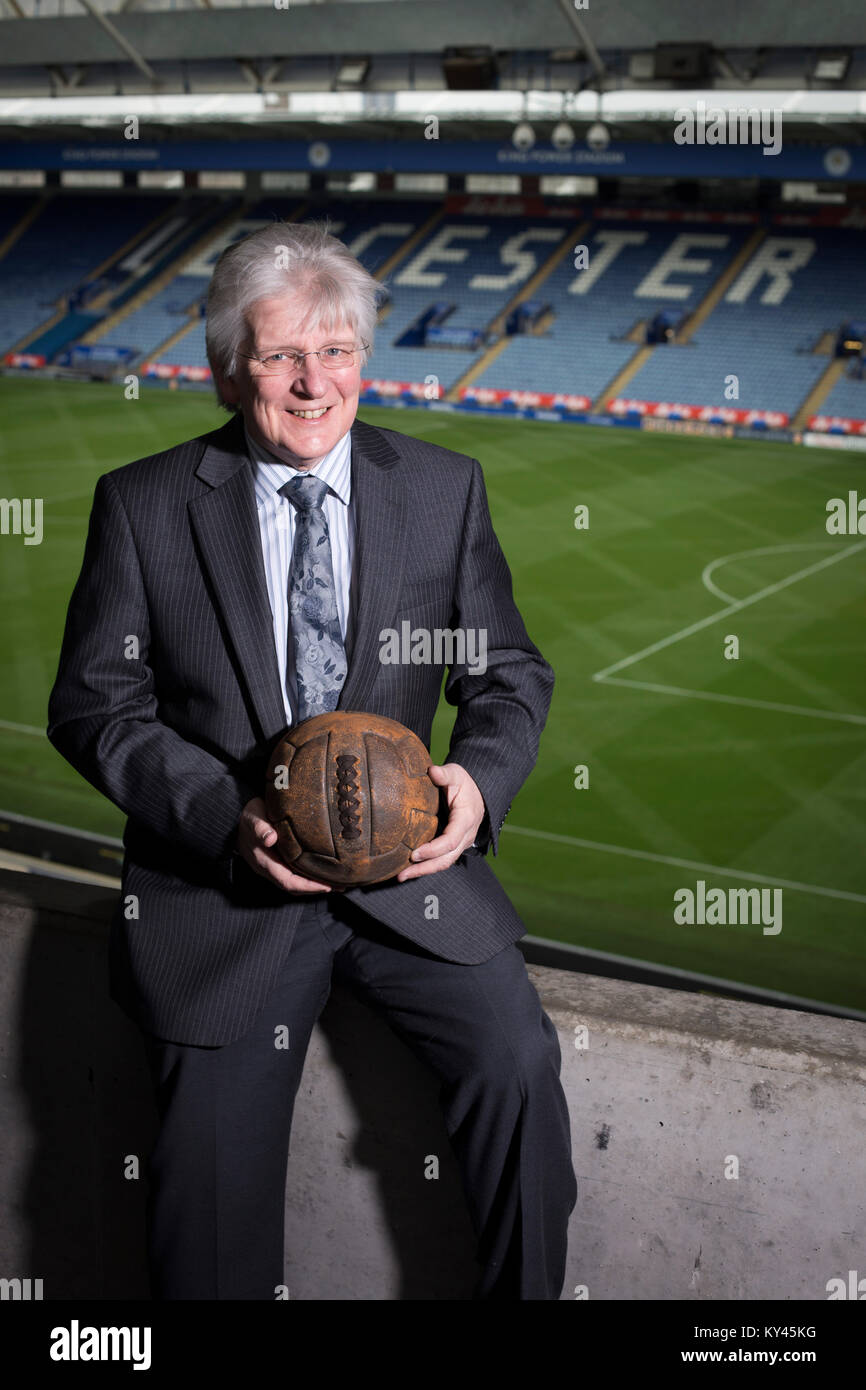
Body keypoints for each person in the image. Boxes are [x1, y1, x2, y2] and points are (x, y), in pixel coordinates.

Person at [47, 219, 578, 1300]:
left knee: (518, 1072)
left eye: (334, 351)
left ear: (361, 361)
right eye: (282, 353)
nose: (311, 381)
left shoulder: (439, 489)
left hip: (412, 885)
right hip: (227, 894)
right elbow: (98, 704)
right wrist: (221, 818)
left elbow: (505, 673)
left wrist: (473, 782)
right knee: (204, 1195)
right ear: (230, 366)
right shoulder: (145, 504)